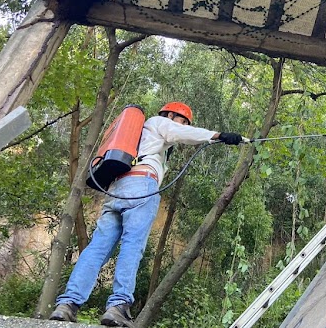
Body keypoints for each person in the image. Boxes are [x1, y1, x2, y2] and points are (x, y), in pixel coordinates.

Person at [49, 102, 243, 326]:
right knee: (132, 245)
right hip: (141, 185)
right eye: (182, 120)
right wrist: (218, 136)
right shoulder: (158, 122)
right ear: (171, 115)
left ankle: (67, 305)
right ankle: (118, 305)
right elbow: (180, 133)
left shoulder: (136, 136)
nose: (183, 124)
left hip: (115, 190)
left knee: (97, 249)